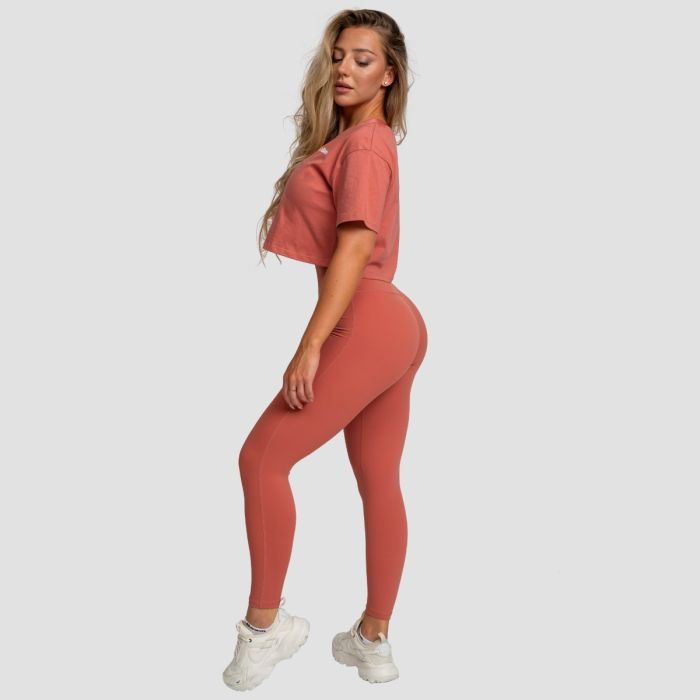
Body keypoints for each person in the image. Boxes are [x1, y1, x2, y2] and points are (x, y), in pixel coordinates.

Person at [223, 9, 427, 691]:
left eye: (363, 60)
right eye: (339, 56)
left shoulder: (365, 145)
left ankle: (265, 627)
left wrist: (310, 345)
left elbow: (357, 244)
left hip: (367, 319)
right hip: (395, 324)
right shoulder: (358, 141)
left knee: (261, 459)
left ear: (388, 75)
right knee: (378, 481)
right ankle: (374, 640)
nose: (344, 68)